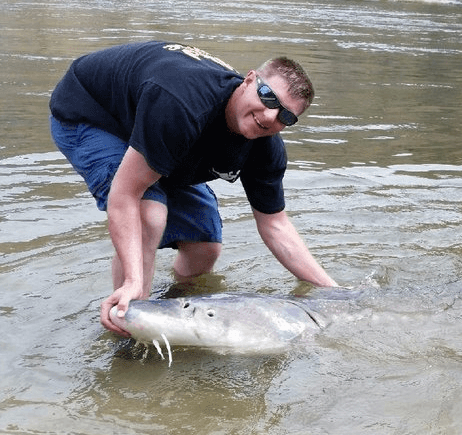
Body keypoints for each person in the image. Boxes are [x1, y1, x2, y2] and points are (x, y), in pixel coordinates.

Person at [49, 41, 338, 335]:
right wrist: (134, 281)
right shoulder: (182, 102)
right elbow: (125, 196)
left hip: (165, 131)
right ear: (249, 79)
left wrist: (334, 293)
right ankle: (127, 326)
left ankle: (174, 310)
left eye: (285, 116)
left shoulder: (266, 149)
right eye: (268, 97)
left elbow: (275, 225)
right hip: (95, 115)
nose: (268, 116)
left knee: (205, 246)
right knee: (150, 214)